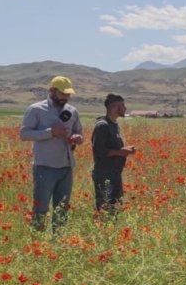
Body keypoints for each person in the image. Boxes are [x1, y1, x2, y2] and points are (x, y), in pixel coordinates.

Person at [20, 76, 83, 232]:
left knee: (62, 208)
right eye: (63, 94)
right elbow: (24, 134)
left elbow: (79, 132)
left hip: (66, 166)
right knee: (40, 208)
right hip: (45, 166)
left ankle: (58, 240)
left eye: (68, 95)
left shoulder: (72, 111)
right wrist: (50, 133)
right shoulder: (36, 109)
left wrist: (78, 138)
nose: (66, 98)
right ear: (52, 91)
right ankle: (37, 242)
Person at [91, 93, 136, 218]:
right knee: (104, 207)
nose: (125, 108)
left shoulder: (114, 125)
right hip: (104, 173)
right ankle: (100, 231)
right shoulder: (102, 126)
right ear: (114, 107)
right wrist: (122, 152)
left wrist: (125, 150)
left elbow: (112, 148)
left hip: (115, 173)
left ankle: (110, 230)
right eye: (123, 105)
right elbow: (99, 151)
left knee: (115, 207)